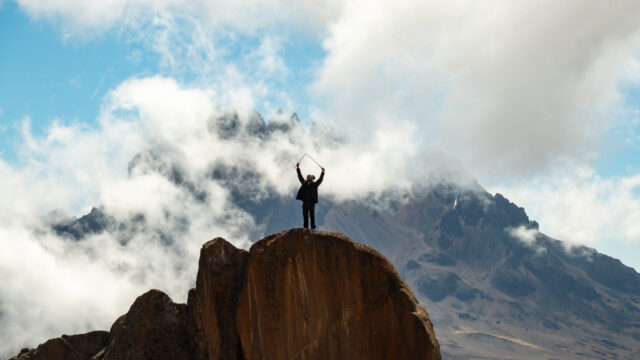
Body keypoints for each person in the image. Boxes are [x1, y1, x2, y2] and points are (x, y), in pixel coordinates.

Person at [296, 162, 325, 229]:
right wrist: (298, 168)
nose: (307, 177)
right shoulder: (304, 183)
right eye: (307, 177)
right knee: (305, 215)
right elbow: (300, 176)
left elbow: (320, 180)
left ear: (311, 178)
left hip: (311, 203)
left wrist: (322, 172)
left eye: (309, 177)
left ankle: (313, 228)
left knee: (312, 216)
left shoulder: (315, 184)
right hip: (305, 202)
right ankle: (305, 228)